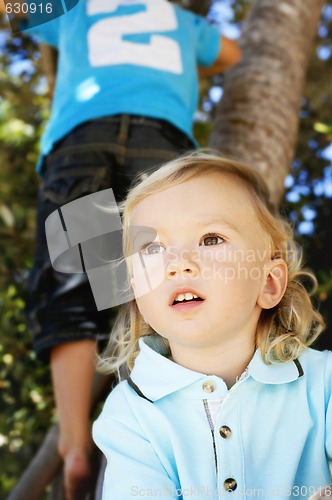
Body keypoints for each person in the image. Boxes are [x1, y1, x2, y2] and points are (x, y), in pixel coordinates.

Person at [0, 1, 241, 498]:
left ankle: (73, 442)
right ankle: (150, 427)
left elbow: (13, 7)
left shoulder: (75, 11)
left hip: (81, 145)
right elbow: (232, 52)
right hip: (160, 150)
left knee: (71, 282)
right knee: (156, 284)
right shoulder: (182, 21)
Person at [92, 152, 332, 499]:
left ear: (267, 284)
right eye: (154, 248)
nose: (178, 264)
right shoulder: (131, 412)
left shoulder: (322, 385)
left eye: (210, 239)